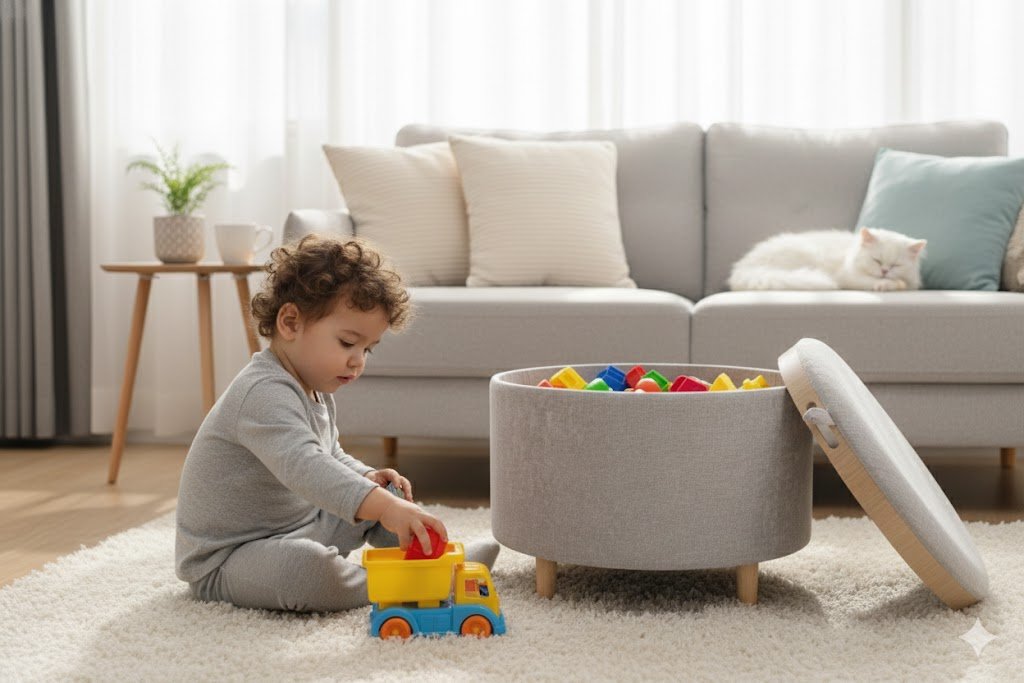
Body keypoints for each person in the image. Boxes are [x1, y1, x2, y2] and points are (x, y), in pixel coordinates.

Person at [175, 234, 498, 612]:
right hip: (231, 557)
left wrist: (367, 477)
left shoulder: (313, 387)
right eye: (347, 343)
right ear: (290, 322)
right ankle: (396, 585)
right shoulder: (261, 393)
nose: (358, 361)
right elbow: (305, 465)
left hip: (300, 523)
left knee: (387, 498)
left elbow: (330, 455)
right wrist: (380, 506)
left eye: (367, 349)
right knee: (306, 570)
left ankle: (440, 559)